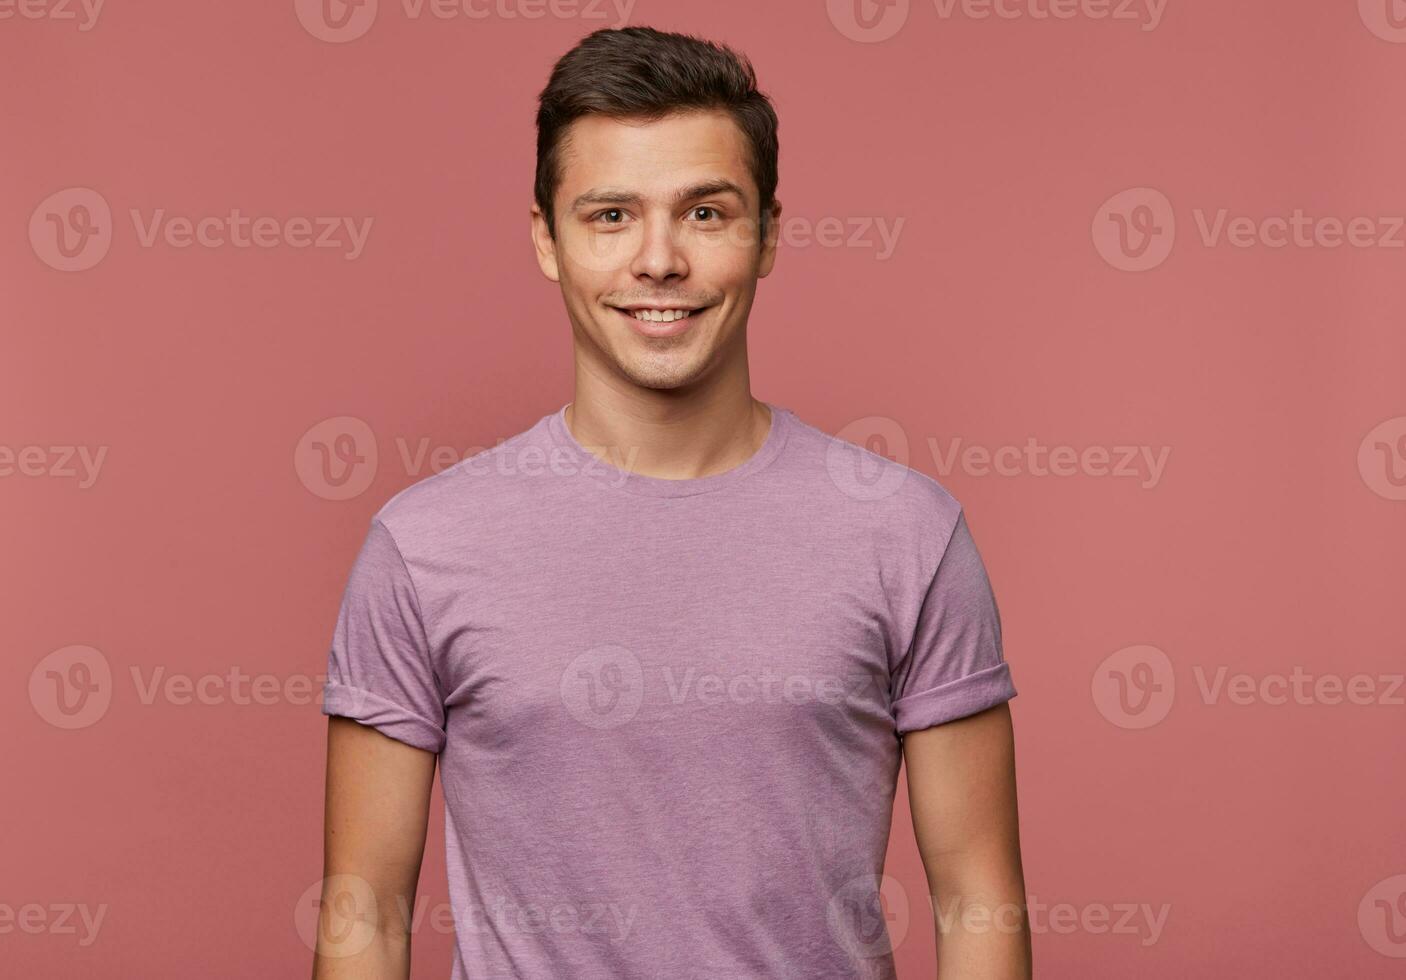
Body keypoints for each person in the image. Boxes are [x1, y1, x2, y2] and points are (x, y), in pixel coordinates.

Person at [313, 24, 1029, 980]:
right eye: (610, 215)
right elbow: (365, 916)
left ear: (768, 234)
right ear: (545, 239)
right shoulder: (423, 546)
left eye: (705, 213)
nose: (658, 261)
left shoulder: (905, 533)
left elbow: (979, 899)